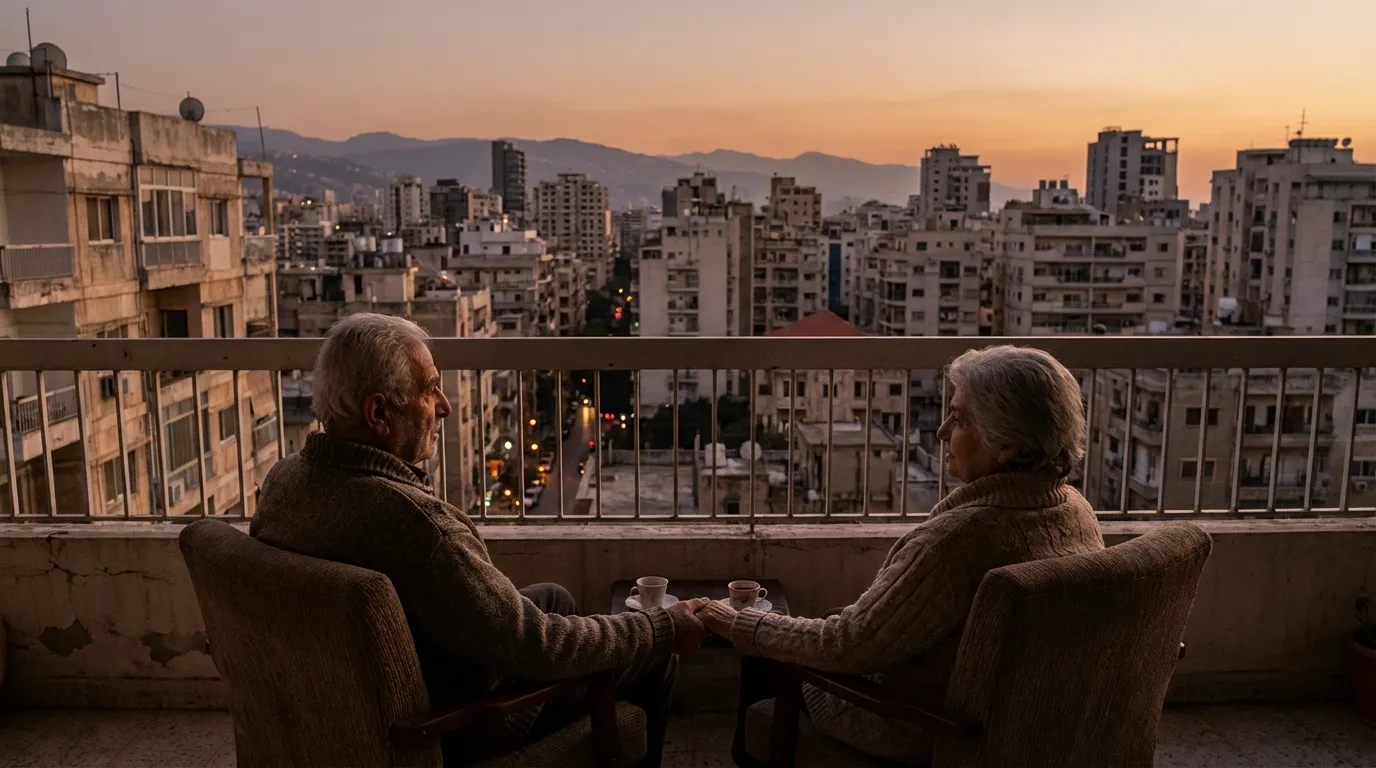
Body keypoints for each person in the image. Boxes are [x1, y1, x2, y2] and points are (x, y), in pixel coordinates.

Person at [250, 313, 709, 767]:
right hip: (457, 722)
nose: (445, 406)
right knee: (655, 657)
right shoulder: (417, 527)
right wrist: (659, 628)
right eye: (430, 389)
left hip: (338, 711)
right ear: (379, 413)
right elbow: (534, 645)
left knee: (555, 598)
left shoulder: (283, 482)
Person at [698, 345, 1106, 764]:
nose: (941, 431)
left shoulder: (957, 543)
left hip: (916, 725)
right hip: (1023, 730)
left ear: (1007, 445)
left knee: (763, 656)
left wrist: (740, 624)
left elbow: (847, 644)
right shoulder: (1078, 514)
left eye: (959, 419)